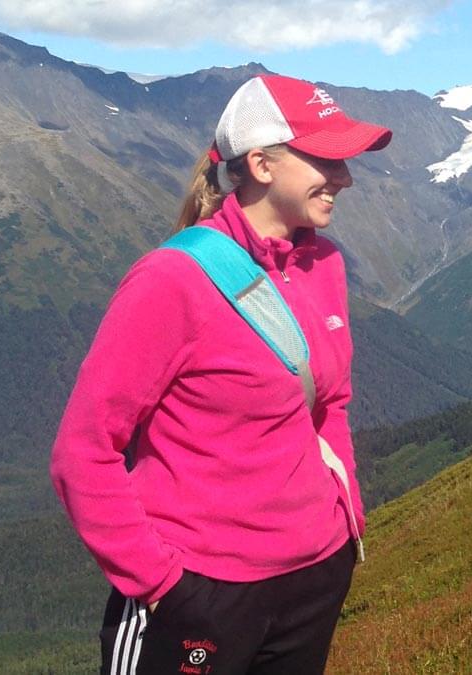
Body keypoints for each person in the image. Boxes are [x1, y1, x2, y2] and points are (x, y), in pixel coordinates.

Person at [51, 73, 391, 674]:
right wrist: (161, 585)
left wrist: (345, 516)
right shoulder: (171, 281)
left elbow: (329, 402)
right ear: (261, 164)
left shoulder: (325, 263)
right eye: (327, 159)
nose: (345, 177)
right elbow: (82, 452)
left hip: (314, 577)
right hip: (200, 590)